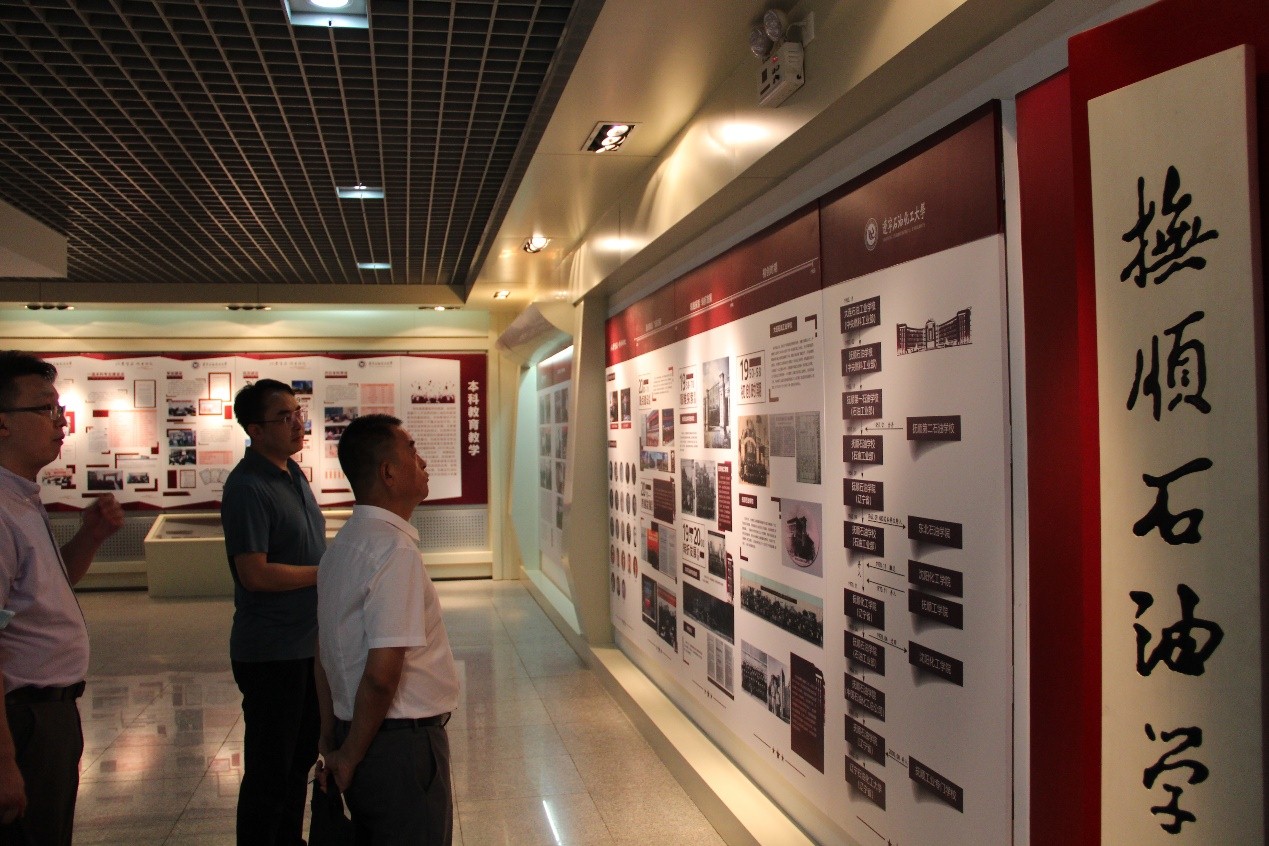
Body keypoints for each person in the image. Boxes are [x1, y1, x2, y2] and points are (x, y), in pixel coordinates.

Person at [314, 414, 459, 845]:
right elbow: (381, 675)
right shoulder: (394, 551)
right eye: (412, 451)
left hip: (355, 732)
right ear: (388, 472)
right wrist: (349, 756)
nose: (423, 462)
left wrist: (332, 737)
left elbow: (321, 654)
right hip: (399, 747)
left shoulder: (342, 547)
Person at [0, 350, 124, 845]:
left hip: (50, 714)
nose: (60, 421)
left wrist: (90, 537)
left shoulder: (23, 499)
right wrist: (4, 761)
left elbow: (38, 595)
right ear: (2, 424)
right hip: (22, 719)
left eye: (59, 408)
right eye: (45, 409)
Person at [221, 379, 325, 846]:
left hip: (306, 645)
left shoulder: (292, 473)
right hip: (271, 651)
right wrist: (325, 574)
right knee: (270, 769)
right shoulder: (248, 487)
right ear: (255, 430)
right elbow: (255, 574)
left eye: (298, 412)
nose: (297, 423)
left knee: (298, 759)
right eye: (284, 417)